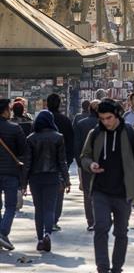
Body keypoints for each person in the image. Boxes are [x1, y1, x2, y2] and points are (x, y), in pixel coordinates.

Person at [81, 98, 134, 273]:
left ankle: (117, 267)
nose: (106, 122)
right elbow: (84, 156)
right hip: (100, 190)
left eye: (109, 118)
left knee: (121, 232)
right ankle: (102, 267)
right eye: (102, 119)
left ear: (117, 115)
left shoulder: (131, 133)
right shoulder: (95, 133)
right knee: (101, 228)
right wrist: (90, 165)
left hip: (123, 191)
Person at [24, 110, 70, 252]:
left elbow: (28, 162)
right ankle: (47, 234)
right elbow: (62, 161)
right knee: (50, 208)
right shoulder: (58, 137)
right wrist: (66, 180)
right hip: (52, 176)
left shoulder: (31, 138)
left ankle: (39, 239)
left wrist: (23, 183)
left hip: (35, 178)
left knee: (39, 209)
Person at [0, 99, 26, 250]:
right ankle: (3, 233)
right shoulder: (14, 129)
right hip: (10, 172)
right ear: (4, 111)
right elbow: (22, 150)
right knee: (11, 206)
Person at [46, 93, 74, 232]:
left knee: (44, 193)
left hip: (44, 163)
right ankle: (54, 219)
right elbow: (70, 142)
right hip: (61, 162)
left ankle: (47, 219)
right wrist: (68, 161)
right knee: (59, 192)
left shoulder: (42, 120)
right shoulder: (65, 120)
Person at [73, 100, 100, 231]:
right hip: (103, 164)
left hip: (86, 163)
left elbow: (77, 145)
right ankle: (102, 218)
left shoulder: (80, 123)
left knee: (88, 193)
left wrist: (79, 162)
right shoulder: (106, 124)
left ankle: (91, 221)